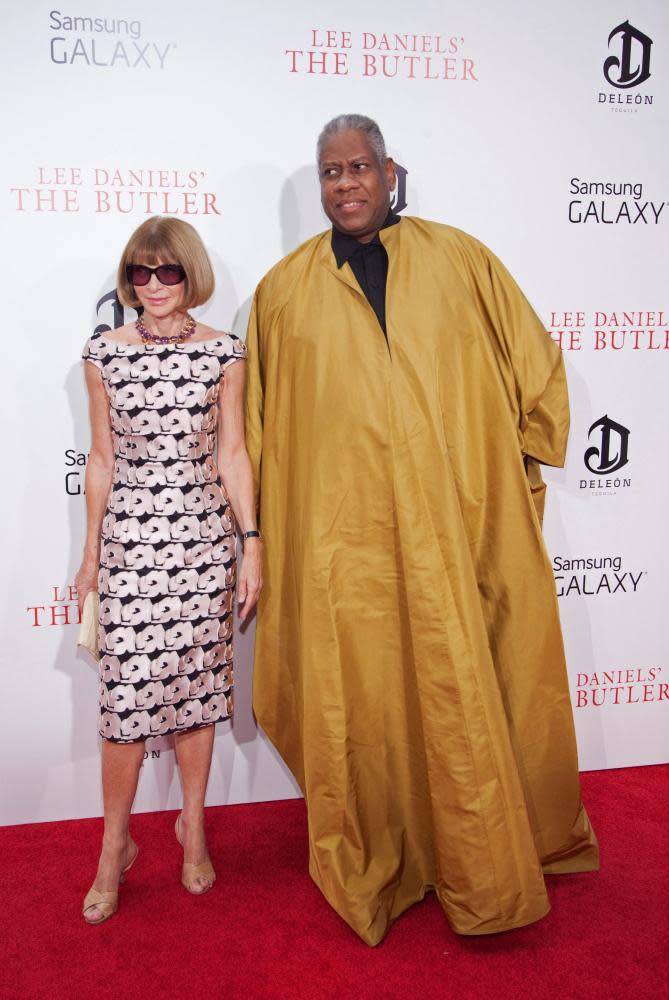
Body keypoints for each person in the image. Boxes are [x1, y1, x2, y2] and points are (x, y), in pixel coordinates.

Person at [245, 114, 599, 946]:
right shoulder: (283, 291)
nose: (346, 184)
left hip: (454, 527)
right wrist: (259, 532)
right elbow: (260, 425)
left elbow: (534, 367)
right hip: (346, 549)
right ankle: (387, 853)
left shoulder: (459, 259)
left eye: (359, 166)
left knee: (465, 681)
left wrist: (508, 470)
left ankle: (481, 856)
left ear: (390, 170)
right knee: (362, 697)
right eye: (330, 172)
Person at [77, 216, 261, 924]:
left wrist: (252, 543)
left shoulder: (225, 354)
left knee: (196, 686)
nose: (154, 285)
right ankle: (112, 848)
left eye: (169, 272)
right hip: (129, 540)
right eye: (142, 272)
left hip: (202, 543)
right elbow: (101, 460)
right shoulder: (102, 354)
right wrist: (91, 554)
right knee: (124, 701)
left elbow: (234, 455)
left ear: (191, 274)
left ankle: (193, 830)